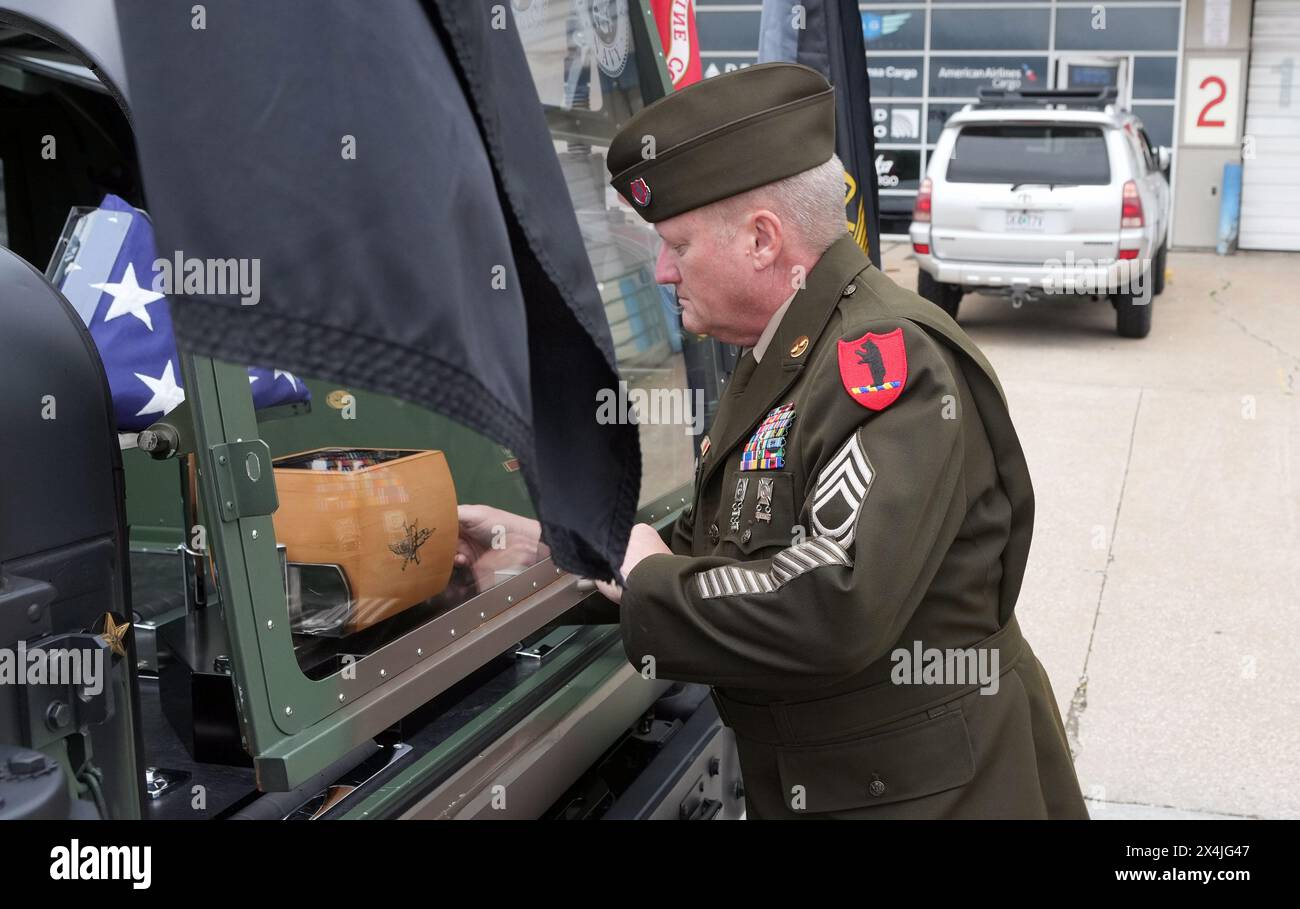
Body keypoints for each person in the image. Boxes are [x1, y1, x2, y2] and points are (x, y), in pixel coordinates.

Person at [458, 62, 1087, 819]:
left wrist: (646, 575)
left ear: (763, 239)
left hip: (930, 793)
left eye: (678, 244)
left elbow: (831, 604)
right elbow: (707, 552)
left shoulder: (885, 364)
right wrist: (544, 555)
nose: (660, 271)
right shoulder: (785, 353)